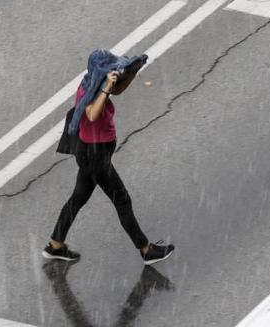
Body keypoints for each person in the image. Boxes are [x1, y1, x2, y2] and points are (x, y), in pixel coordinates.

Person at [43, 49, 175, 265]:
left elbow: (118, 89)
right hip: (95, 157)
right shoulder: (87, 91)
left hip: (92, 155)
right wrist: (105, 87)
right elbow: (92, 114)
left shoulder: (97, 84)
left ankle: (56, 244)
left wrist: (132, 72)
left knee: (77, 199)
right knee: (122, 200)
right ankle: (145, 249)